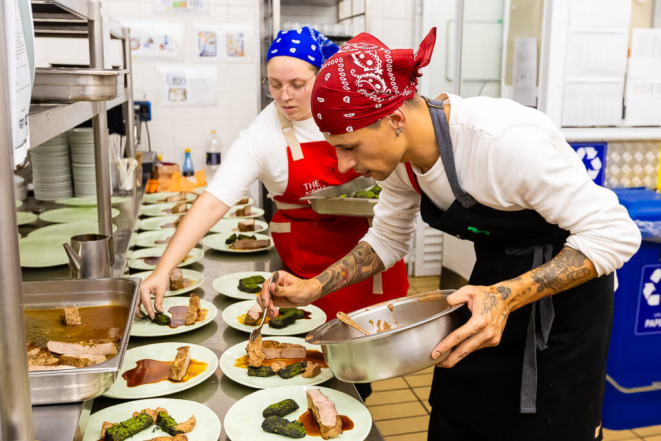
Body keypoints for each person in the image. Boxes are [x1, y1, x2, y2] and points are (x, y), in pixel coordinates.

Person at [259, 28, 642, 441]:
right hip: (489, 287)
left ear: (395, 121)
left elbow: (615, 233)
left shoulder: (502, 142)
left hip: (565, 310)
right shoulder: (402, 159)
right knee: (456, 415)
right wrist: (312, 287)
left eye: (350, 147)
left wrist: (505, 296)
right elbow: (387, 239)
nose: (344, 163)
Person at [138, 27, 408, 338]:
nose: (285, 96)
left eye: (297, 85)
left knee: (367, 359)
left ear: (321, 77)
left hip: (369, 264)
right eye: (275, 85)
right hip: (305, 273)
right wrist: (163, 269)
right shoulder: (262, 134)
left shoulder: (354, 111)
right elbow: (213, 200)